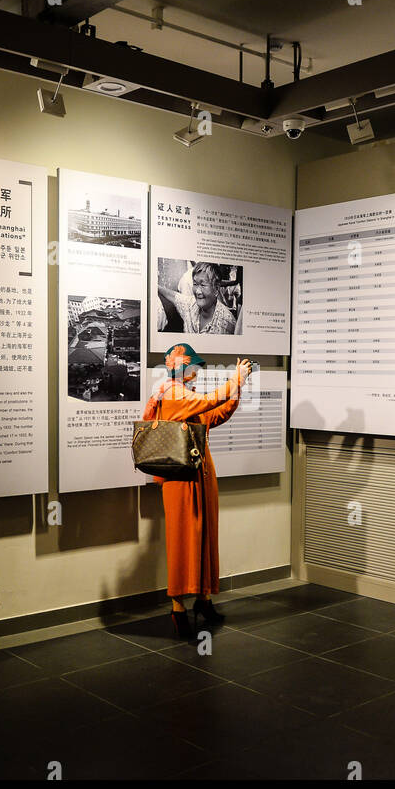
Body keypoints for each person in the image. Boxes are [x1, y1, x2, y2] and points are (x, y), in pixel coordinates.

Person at [143, 343, 253, 639]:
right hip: (181, 479)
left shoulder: (181, 394)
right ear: (181, 366)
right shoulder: (172, 392)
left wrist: (236, 390)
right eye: (193, 366)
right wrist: (235, 380)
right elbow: (206, 404)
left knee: (205, 534)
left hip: (200, 473)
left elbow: (213, 415)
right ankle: (178, 608)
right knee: (182, 539)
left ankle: (203, 599)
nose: (197, 372)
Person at [157, 261, 236, 335]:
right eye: (195, 284)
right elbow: (175, 296)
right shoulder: (190, 304)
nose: (198, 291)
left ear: (216, 289)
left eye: (203, 285)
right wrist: (156, 286)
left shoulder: (227, 324)